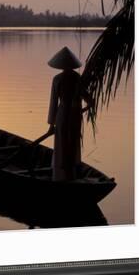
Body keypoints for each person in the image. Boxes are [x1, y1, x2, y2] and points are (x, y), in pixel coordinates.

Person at [45, 46, 93, 182]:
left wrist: (51, 126)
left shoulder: (57, 79)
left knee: (61, 142)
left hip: (62, 114)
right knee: (72, 142)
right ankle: (71, 172)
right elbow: (90, 101)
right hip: (75, 116)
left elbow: (54, 103)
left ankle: (62, 174)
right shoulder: (77, 78)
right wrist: (80, 111)